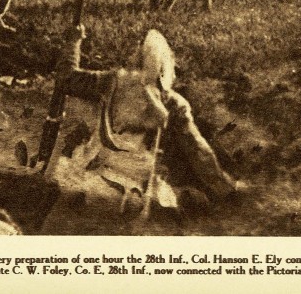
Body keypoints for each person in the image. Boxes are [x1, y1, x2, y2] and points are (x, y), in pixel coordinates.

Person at [40, 24, 238, 221]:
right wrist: (224, 187)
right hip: (140, 186)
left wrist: (74, 42)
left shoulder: (110, 82)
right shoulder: (172, 102)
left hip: (92, 172)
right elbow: (198, 150)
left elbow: (67, 79)